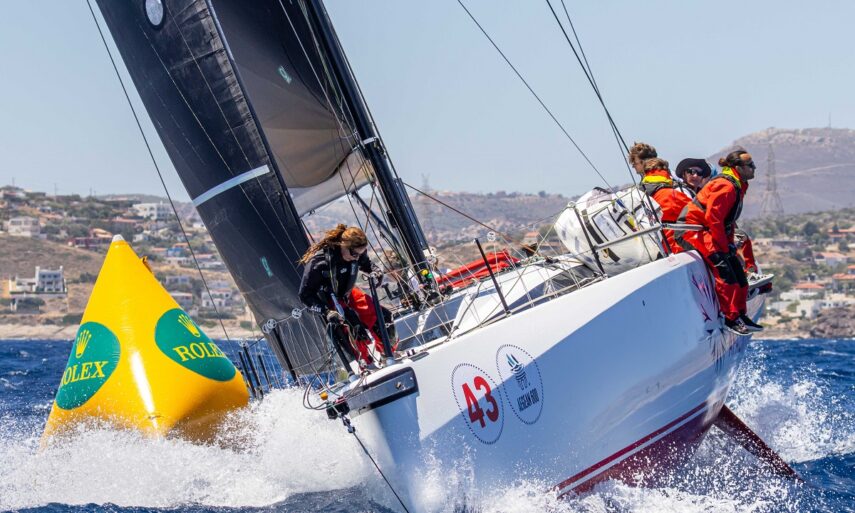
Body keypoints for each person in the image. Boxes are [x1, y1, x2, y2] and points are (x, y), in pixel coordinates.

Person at [679, 150, 763, 334]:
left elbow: (727, 221)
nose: (754, 168)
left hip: (711, 231)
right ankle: (730, 318)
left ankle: (740, 314)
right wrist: (723, 247)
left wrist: (730, 244)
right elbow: (713, 218)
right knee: (724, 271)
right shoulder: (726, 186)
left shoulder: (737, 185)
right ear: (738, 168)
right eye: (750, 165)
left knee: (739, 273)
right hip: (694, 231)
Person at [298, 224, 394, 369]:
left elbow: (367, 264)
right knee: (353, 327)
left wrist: (376, 272)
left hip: (349, 293)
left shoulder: (357, 253)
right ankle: (366, 365)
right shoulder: (319, 263)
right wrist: (326, 311)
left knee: (384, 317)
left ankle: (388, 354)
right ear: (343, 245)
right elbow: (305, 295)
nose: (357, 258)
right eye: (355, 255)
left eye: (361, 254)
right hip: (332, 301)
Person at [628, 142, 692, 254]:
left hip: (674, 242)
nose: (633, 166)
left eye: (635, 163)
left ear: (644, 161)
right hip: (673, 241)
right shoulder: (649, 183)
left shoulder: (668, 180)